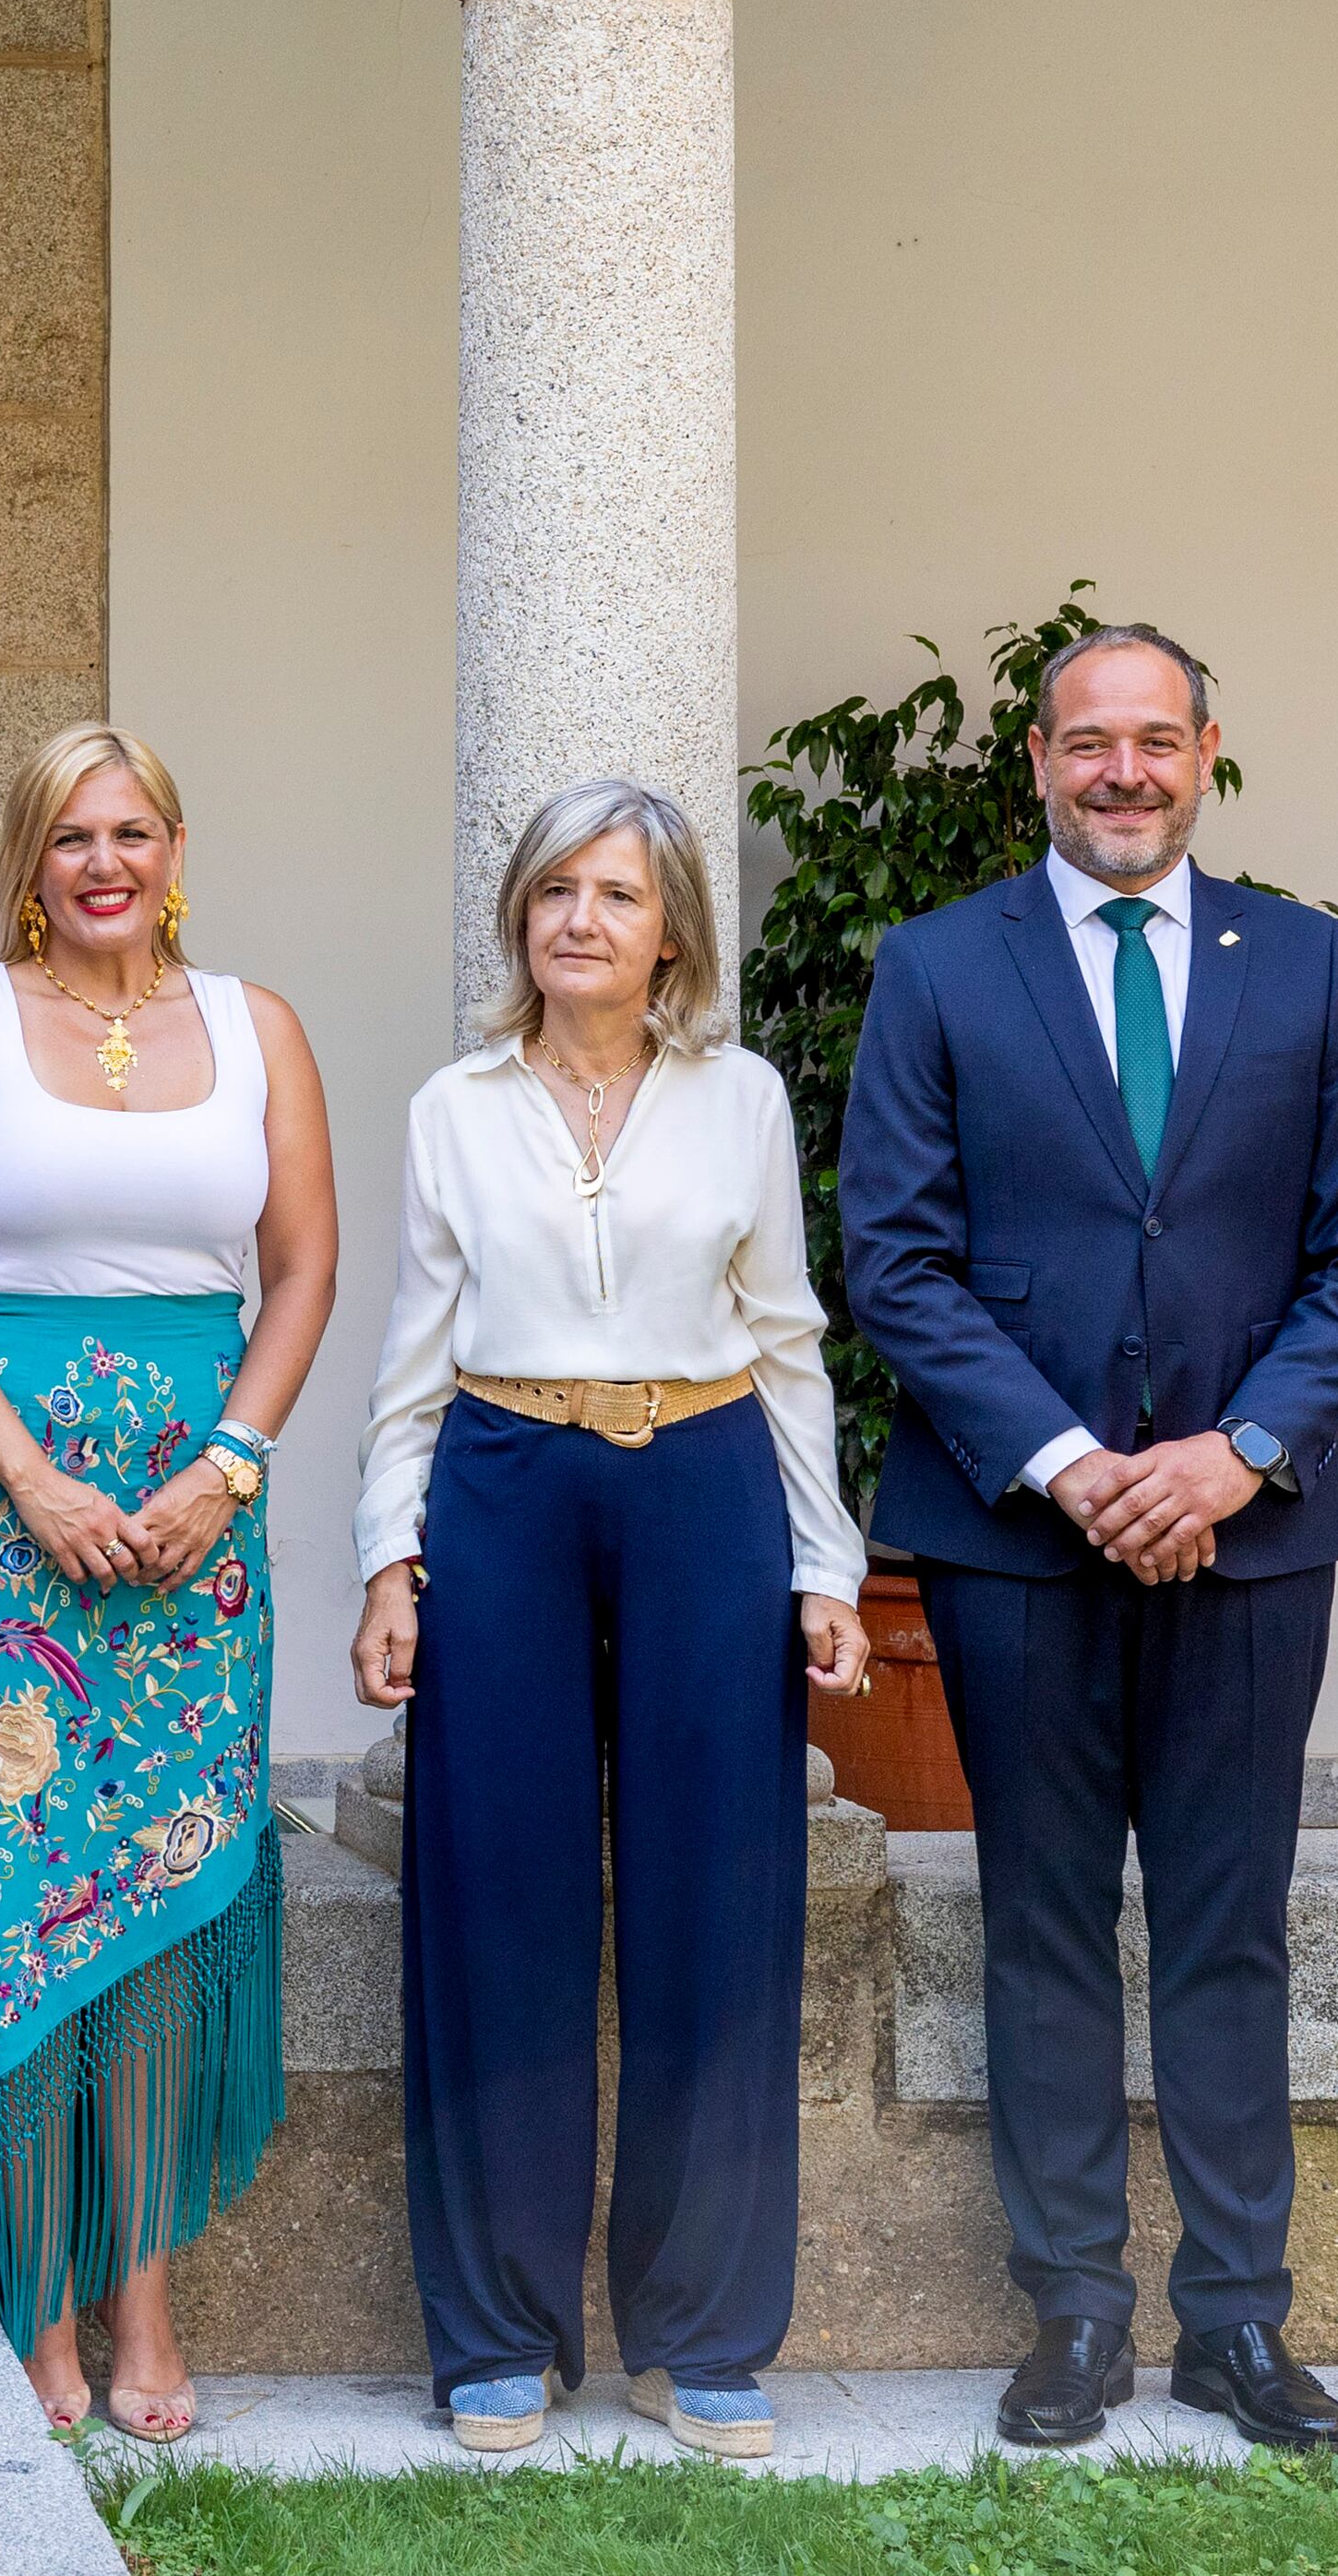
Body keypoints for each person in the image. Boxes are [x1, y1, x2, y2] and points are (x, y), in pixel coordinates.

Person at [841, 625, 1338, 2458]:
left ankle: (1237, 2322)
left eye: (1154, 740)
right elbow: (896, 1258)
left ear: (1205, 754)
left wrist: (1234, 1453)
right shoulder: (936, 968)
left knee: (1230, 1928)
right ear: (1036, 758)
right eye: (1089, 742)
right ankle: (1074, 2311)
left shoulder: (1305, 961)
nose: (1122, 771)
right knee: (1043, 1924)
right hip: (1020, 1538)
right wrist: (1077, 1461)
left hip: (1250, 1542)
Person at [350, 779, 873, 2463]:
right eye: (557, 887)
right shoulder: (453, 1106)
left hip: (705, 1469)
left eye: (620, 893)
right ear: (521, 915)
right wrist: (388, 1559)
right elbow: (414, 1355)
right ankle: (496, 2329)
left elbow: (787, 1338)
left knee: (717, 1890)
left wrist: (826, 1570)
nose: (584, 916)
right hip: (503, 1474)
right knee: (496, 1892)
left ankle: (702, 2328)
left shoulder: (743, 1100)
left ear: (673, 931)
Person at [0, 724, 339, 2439]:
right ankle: (40, 2296)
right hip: (7, 1524)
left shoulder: (257, 1028)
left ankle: (143, 2291)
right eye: (73, 834)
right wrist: (35, 1476)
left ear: (177, 844)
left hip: (199, 1530)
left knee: (162, 1894)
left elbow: (301, 1269)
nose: (106, 861)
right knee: (17, 1878)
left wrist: (229, 1465)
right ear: (29, 858)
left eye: (134, 829)